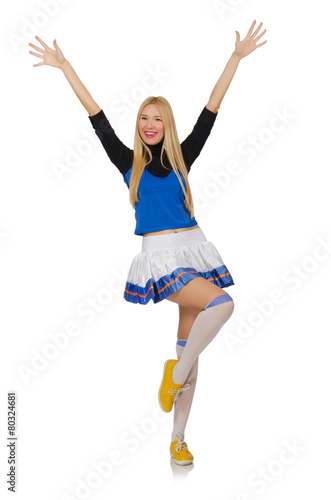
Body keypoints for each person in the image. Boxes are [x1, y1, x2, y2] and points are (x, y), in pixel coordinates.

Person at [28, 20, 267, 466]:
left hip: (196, 247)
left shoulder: (183, 156)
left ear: (167, 125)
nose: (150, 124)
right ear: (137, 124)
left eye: (158, 118)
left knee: (191, 349)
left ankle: (178, 439)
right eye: (144, 117)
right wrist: (64, 66)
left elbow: (211, 109)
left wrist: (235, 58)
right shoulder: (127, 161)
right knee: (223, 306)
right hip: (161, 257)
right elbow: (95, 114)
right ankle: (173, 376)